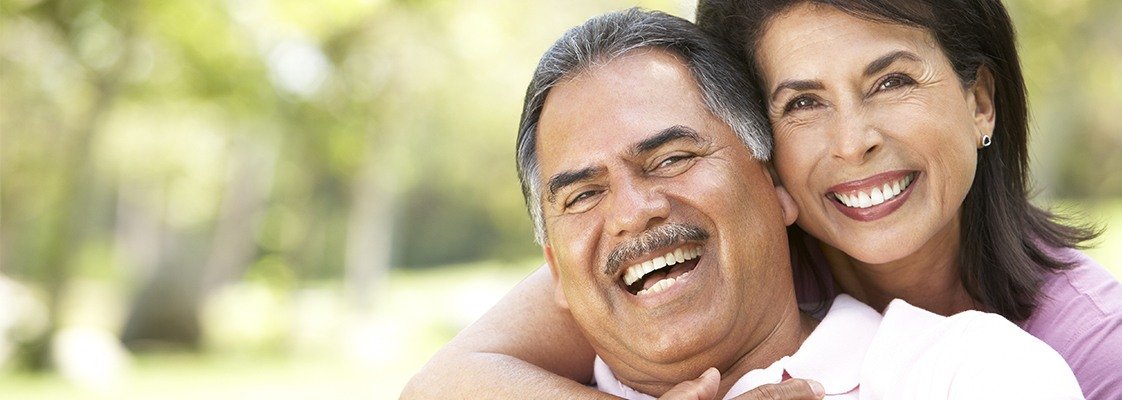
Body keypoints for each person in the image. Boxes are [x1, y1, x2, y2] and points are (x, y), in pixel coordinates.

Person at [404, 0, 1122, 398]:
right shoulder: (641, 273)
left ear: (981, 102)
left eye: (891, 82)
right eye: (803, 102)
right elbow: (438, 387)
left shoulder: (1031, 357)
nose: (852, 142)